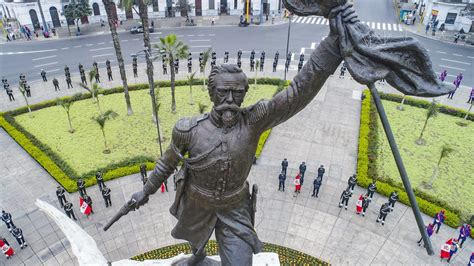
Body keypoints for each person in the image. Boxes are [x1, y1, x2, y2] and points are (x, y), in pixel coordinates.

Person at [126, 7, 362, 262]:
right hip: (196, 202)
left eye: (237, 94)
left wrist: (333, 44)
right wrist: (145, 191)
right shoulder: (188, 129)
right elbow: (167, 163)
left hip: (234, 207)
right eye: (223, 93)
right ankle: (198, 256)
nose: (230, 100)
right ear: (211, 93)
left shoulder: (253, 120)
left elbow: (296, 94)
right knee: (196, 241)